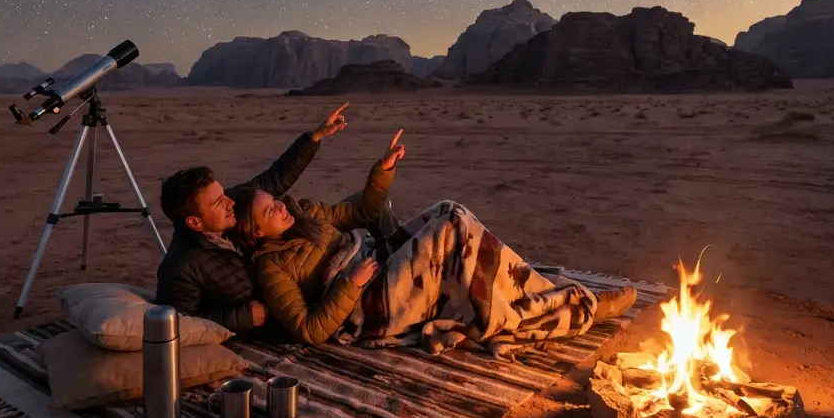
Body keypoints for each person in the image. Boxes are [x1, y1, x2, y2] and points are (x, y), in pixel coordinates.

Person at [233, 130, 638, 354]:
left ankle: (524, 289)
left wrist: (382, 172)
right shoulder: (271, 267)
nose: (281, 209)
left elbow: (356, 212)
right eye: (270, 211)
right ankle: (567, 308)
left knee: (449, 210)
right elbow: (308, 330)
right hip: (366, 304)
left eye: (276, 202)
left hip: (377, 261)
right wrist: (349, 283)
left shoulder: (302, 215)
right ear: (255, 233)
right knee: (451, 229)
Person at [155, 103, 396, 331]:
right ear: (194, 222)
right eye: (219, 201)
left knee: (373, 207)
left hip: (295, 257)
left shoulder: (234, 208)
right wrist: (244, 317)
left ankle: (397, 252)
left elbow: (275, 179)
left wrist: (314, 138)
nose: (230, 201)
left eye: (223, 194)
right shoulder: (182, 265)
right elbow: (177, 322)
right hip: (285, 299)